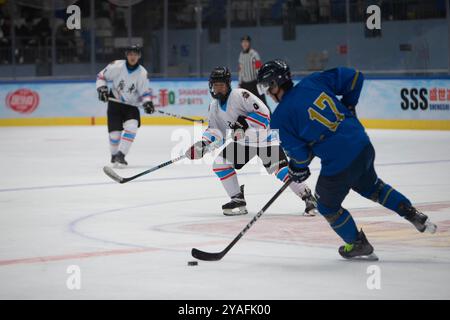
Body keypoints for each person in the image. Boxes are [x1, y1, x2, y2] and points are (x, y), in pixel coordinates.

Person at [256, 60, 437, 260]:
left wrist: (297, 169)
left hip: (339, 160)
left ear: (274, 85)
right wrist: (349, 105)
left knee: (326, 206)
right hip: (362, 144)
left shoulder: (280, 117)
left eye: (267, 86)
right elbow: (355, 77)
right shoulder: (314, 81)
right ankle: (411, 213)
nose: (268, 93)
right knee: (372, 187)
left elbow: (301, 156)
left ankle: (357, 243)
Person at [185, 66, 317, 216]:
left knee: (281, 171)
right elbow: (216, 131)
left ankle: (308, 197)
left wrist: (245, 123)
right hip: (244, 144)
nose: (218, 89)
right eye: (216, 86)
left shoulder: (240, 95)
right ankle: (237, 199)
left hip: (264, 139)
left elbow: (264, 113)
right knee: (220, 164)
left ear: (228, 85)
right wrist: (203, 145)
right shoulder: (214, 106)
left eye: (221, 85)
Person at [96, 45, 155, 167]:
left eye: (135, 54)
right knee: (115, 135)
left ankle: (121, 155)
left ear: (139, 56)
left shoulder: (142, 73)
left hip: (131, 105)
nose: (132, 57)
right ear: (126, 55)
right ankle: (114, 155)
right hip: (115, 103)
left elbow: (144, 92)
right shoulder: (116, 66)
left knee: (132, 127)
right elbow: (101, 76)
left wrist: (148, 102)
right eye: (130, 54)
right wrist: (102, 89)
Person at [238, 35, 266, 105]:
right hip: (244, 85)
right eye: (243, 42)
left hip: (254, 83)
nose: (244, 44)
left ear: (249, 43)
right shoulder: (241, 55)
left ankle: (269, 116)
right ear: (241, 43)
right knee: (243, 105)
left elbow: (259, 68)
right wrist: (239, 82)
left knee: (262, 103)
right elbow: (240, 69)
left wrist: (260, 81)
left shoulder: (254, 54)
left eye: (246, 42)